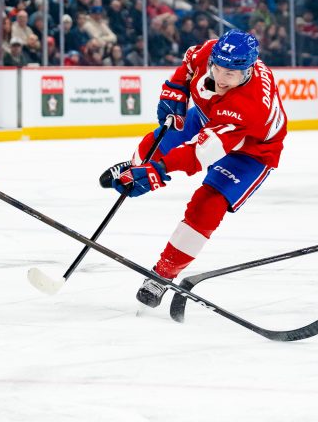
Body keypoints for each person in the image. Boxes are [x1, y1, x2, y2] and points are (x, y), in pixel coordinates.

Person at [101, 30, 287, 307]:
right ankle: (135, 168)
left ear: (247, 71)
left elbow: (199, 154)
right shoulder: (211, 51)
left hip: (252, 150)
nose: (221, 79)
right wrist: (175, 89)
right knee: (156, 142)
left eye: (231, 75)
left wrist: (159, 171)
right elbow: (189, 63)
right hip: (207, 117)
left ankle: (162, 276)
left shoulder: (249, 106)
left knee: (207, 205)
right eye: (218, 69)